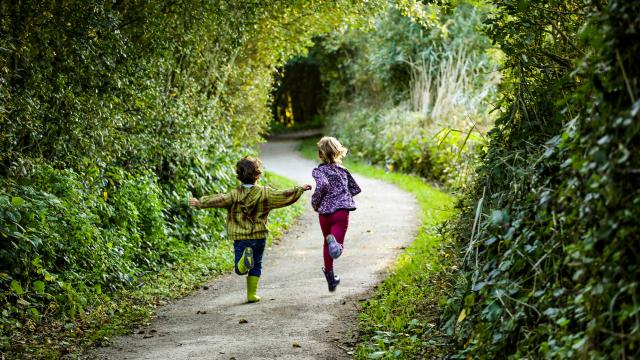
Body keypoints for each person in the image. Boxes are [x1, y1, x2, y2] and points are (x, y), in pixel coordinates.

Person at [189, 156, 312, 303]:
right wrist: (299, 189)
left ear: (239, 176)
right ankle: (251, 294)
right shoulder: (265, 193)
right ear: (258, 175)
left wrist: (200, 203)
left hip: (241, 237)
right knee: (257, 264)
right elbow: (283, 196)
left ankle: (242, 266)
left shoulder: (234, 195)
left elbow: (219, 199)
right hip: (259, 236)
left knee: (240, 268)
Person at [311, 137, 361, 292]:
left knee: (326, 243)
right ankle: (337, 246)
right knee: (336, 244)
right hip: (341, 211)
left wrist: (315, 201)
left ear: (320, 154)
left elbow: (322, 186)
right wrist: (344, 194)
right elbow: (355, 189)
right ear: (338, 151)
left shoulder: (319, 171)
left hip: (324, 212)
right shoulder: (342, 170)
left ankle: (331, 279)